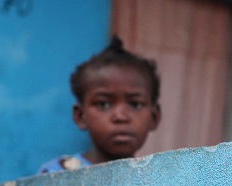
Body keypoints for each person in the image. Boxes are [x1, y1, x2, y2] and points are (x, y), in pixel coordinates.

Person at [38, 36, 161, 173]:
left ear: (154, 117)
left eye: (135, 104)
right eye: (104, 104)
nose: (121, 117)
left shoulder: (156, 182)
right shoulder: (58, 174)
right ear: (81, 116)